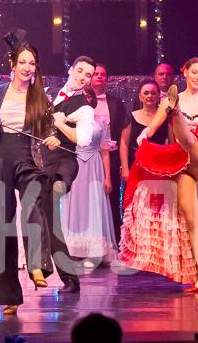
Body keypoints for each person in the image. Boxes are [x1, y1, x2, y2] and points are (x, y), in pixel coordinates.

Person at [119, 57, 198, 292]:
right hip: (182, 164)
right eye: (195, 72)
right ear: (185, 72)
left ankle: (176, 114)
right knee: (192, 219)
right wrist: (144, 135)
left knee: (191, 140)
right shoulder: (165, 101)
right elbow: (152, 128)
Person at [0, 30, 53, 315]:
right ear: (12, 65)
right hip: (0, 158)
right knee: (1, 225)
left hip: (29, 158)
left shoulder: (40, 97)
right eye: (23, 62)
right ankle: (9, 295)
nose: (27, 67)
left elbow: (49, 130)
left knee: (32, 207)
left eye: (32, 63)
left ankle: (37, 266)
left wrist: (53, 138)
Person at [38, 57, 97, 291]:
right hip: (41, 161)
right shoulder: (49, 92)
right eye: (79, 71)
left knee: (49, 209)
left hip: (63, 164)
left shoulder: (84, 107)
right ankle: (68, 277)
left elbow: (82, 139)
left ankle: (54, 271)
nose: (82, 77)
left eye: (88, 75)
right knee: (47, 218)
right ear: (71, 70)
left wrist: (60, 126)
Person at [60, 67, 118, 269]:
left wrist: (108, 177)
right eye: (82, 96)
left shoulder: (101, 121)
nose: (86, 99)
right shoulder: (69, 119)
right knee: (74, 205)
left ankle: (93, 252)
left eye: (89, 96)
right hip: (74, 164)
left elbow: (104, 150)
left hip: (94, 166)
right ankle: (73, 251)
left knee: (93, 205)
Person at [88, 62, 126, 229]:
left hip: (111, 154)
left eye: (102, 74)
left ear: (107, 79)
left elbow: (123, 132)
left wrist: (122, 163)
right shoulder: (80, 101)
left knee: (111, 194)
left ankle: (114, 234)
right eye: (96, 74)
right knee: (89, 196)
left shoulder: (116, 102)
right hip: (88, 155)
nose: (99, 76)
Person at [119, 81, 168, 208]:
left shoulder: (165, 118)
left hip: (159, 166)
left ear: (159, 96)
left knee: (157, 203)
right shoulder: (131, 116)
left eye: (153, 93)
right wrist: (125, 168)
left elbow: (171, 143)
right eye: (146, 93)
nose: (149, 96)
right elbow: (124, 143)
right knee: (136, 203)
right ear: (140, 96)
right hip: (136, 165)